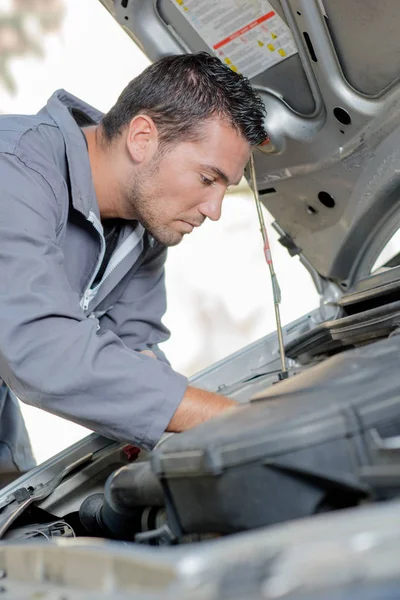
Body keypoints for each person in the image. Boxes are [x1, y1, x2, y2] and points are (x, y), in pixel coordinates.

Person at [0, 52, 267, 473]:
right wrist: (240, 420)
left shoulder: (144, 224)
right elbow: (43, 352)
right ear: (142, 138)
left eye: (225, 187)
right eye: (206, 178)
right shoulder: (11, 169)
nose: (214, 209)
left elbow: (134, 347)